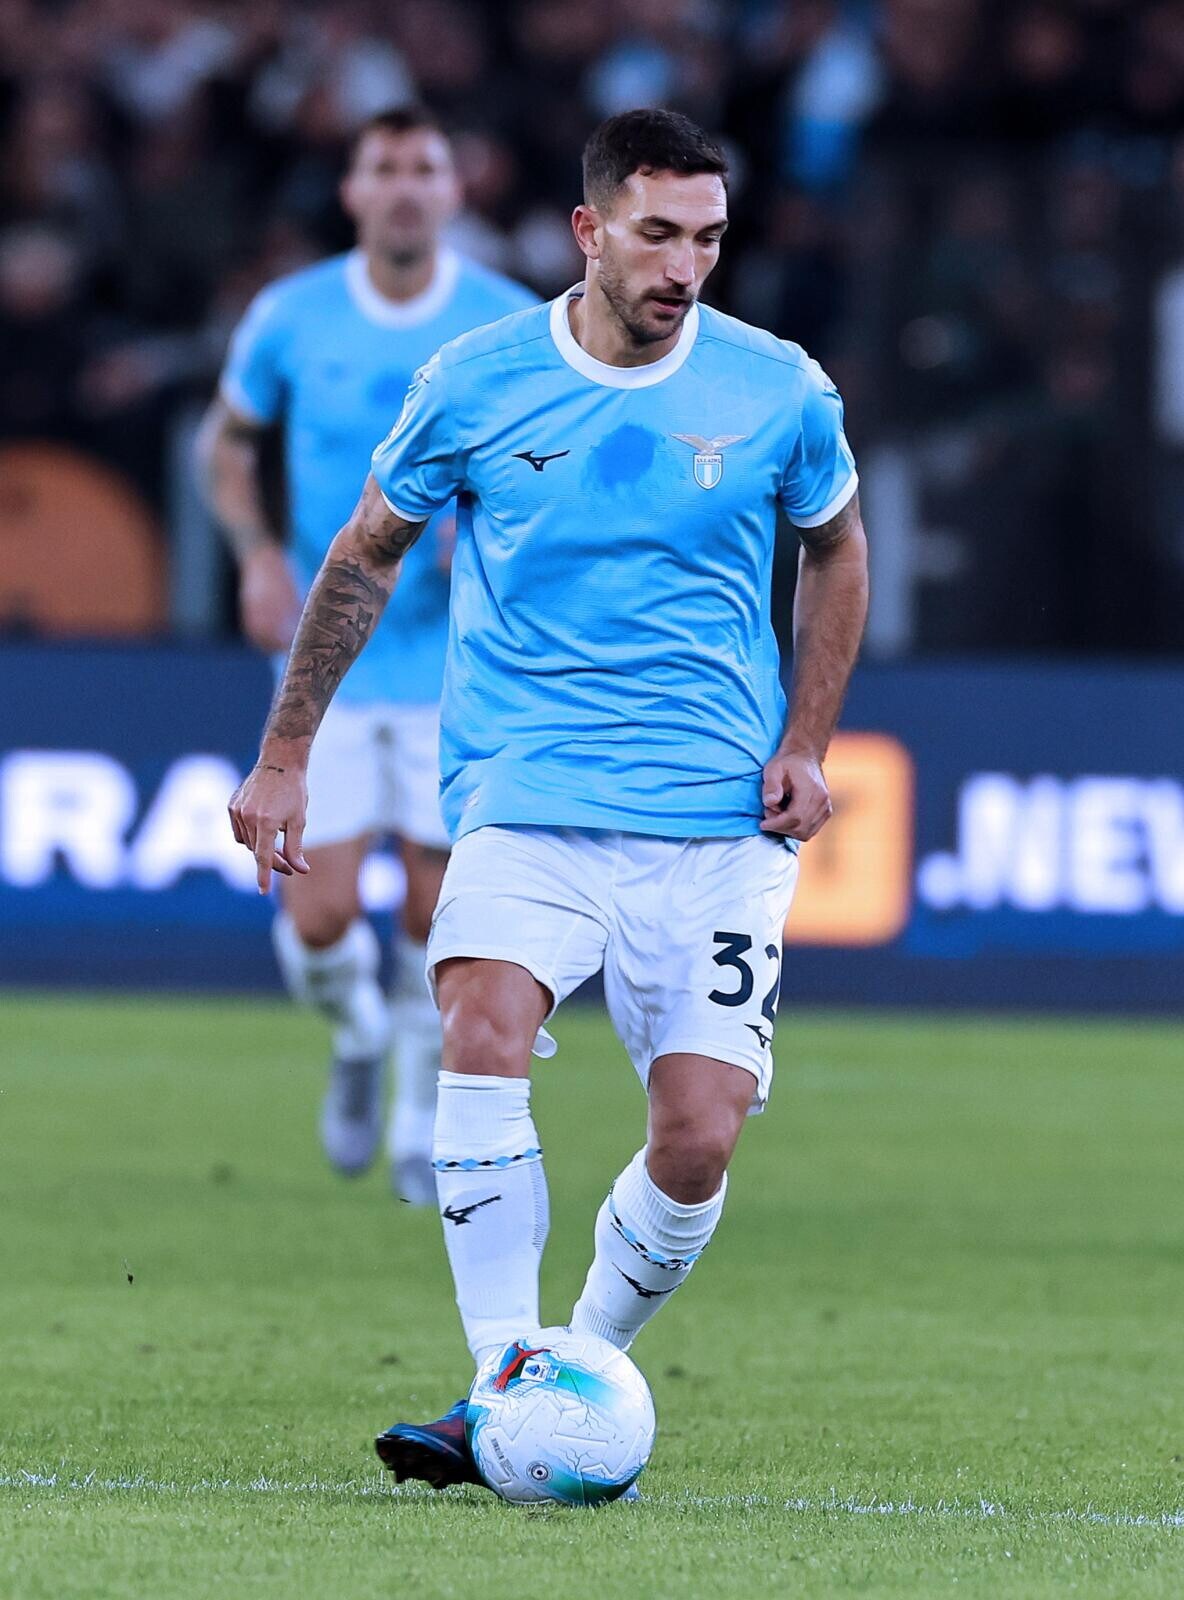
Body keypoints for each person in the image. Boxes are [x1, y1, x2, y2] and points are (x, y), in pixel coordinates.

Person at [228, 108, 868, 1490]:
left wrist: (809, 740)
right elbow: (363, 557)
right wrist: (286, 752)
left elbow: (837, 548)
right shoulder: (477, 380)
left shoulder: (777, 389)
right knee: (479, 1022)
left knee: (696, 1139)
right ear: (589, 230)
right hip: (528, 790)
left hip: (718, 818)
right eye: (656, 234)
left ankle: (569, 1364)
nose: (683, 266)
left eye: (707, 238)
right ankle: (500, 1375)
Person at [200, 106, 536, 1202]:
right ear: (351, 191)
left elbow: (546, 465)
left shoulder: (506, 321)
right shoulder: (292, 315)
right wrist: (256, 553)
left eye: (423, 168)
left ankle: (411, 1118)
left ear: (455, 190)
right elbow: (226, 446)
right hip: (330, 658)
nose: (402, 186)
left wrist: (487, 520)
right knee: (320, 913)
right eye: (382, 167)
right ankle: (355, 1037)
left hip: (457, 662)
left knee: (437, 917)